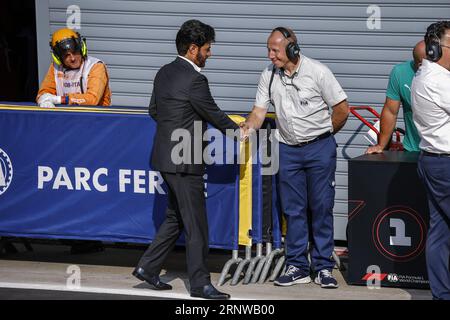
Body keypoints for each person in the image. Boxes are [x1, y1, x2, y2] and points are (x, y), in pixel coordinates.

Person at [132, 20, 240, 300]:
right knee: (197, 225)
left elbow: (154, 110)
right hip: (185, 161)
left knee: (175, 217)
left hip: (164, 159)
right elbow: (213, 113)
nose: (210, 53)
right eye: (207, 48)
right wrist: (240, 133)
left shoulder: (164, 72)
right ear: (193, 49)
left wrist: (175, 132)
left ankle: (147, 267)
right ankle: (201, 284)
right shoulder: (195, 80)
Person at [241, 27, 349, 288]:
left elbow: (342, 109)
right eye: (268, 49)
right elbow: (258, 111)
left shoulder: (318, 72)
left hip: (319, 149)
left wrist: (322, 136)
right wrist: (247, 127)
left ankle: (323, 266)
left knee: (321, 207)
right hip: (287, 150)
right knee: (293, 210)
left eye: (275, 50)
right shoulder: (268, 75)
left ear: (292, 48)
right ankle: (298, 266)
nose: (270, 56)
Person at [411, 21, 450, 300]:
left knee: (440, 232)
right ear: (436, 48)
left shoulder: (424, 75)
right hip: (445, 164)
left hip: (433, 161)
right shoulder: (439, 80)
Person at [366, 41, 427, 154]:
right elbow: (390, 111)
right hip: (413, 149)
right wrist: (381, 145)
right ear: (420, 64)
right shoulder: (400, 73)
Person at [36, 28, 111, 107]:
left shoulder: (96, 66)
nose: (72, 58)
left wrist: (60, 99)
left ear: (82, 49)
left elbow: (93, 99)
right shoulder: (55, 68)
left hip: (97, 116)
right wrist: (44, 101)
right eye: (66, 55)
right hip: (67, 116)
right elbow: (43, 93)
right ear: (58, 58)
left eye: (75, 52)